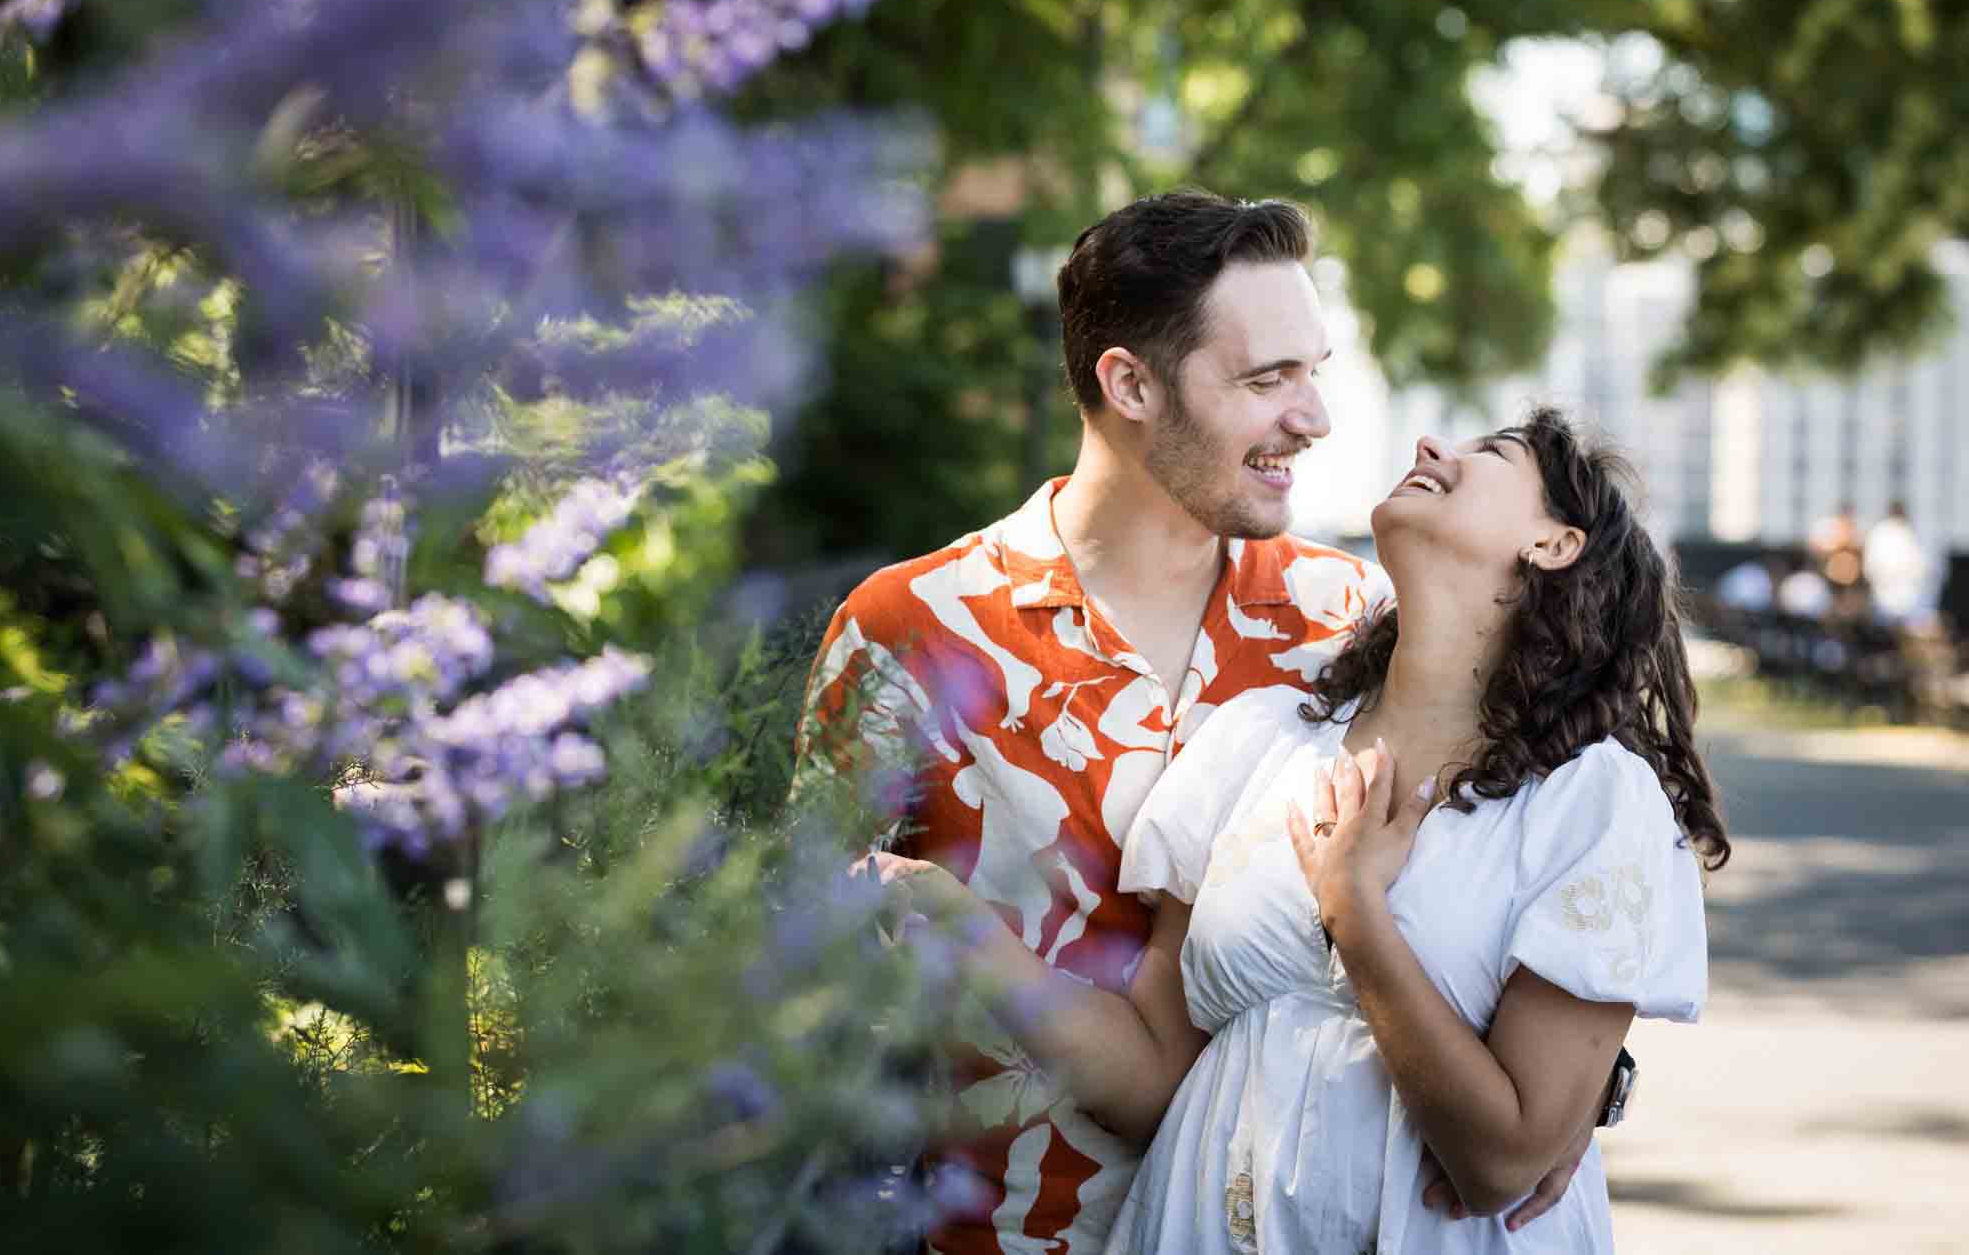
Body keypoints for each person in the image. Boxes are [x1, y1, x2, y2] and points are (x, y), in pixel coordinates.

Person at [798, 190, 1588, 1253]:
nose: (1313, 417)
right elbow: (795, 980)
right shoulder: (907, 634)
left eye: (1312, 370)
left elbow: (1502, 886)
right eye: (1268, 379)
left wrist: (1574, 1089)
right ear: (1127, 382)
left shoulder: (1353, 622)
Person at [875, 410, 1727, 1252]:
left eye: (1493, 452)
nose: (1432, 446)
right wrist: (960, 924)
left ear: (1555, 543)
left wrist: (1352, 906)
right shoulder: (1262, 737)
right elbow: (1151, 1077)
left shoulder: (1591, 798)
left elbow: (1501, 1161)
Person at [1863, 500, 1931, 628]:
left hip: (1908, 593)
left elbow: (1919, 564)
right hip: (1884, 593)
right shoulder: (1881, 533)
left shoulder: (1909, 531)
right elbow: (1872, 565)